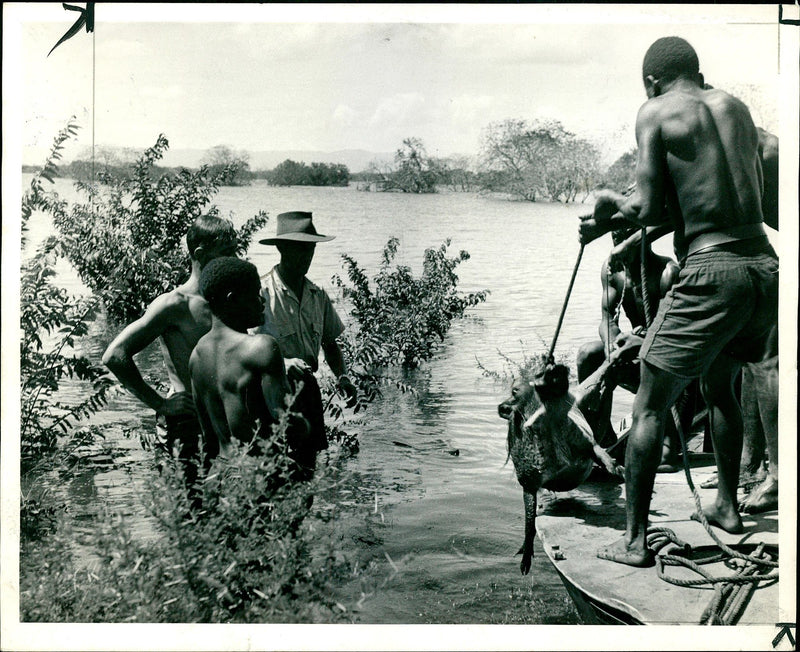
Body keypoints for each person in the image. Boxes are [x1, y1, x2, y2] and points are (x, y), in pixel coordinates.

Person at [589, 36, 778, 567]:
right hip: (763, 269)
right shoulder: (735, 108)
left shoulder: (654, 112)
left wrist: (609, 207)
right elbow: (730, 190)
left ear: (651, 81)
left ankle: (632, 543)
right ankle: (726, 507)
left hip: (711, 269)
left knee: (649, 401)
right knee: (722, 385)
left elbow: (648, 206)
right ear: (698, 72)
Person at [102, 214, 238, 497]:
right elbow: (115, 355)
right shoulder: (174, 304)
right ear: (200, 254)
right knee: (188, 512)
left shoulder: (228, 300)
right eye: (226, 253)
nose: (233, 259)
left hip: (225, 421)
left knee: (227, 514)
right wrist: (160, 404)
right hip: (187, 424)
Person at [189, 257, 313, 478]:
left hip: (219, 475)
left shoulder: (197, 355)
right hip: (258, 474)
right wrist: (305, 423)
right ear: (232, 299)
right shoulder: (261, 347)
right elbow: (285, 424)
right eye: (255, 294)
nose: (262, 300)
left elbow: (207, 436)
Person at [257, 211, 358, 468]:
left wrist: (342, 376)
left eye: (310, 250)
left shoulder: (317, 295)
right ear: (281, 248)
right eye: (298, 250)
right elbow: (243, 349)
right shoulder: (261, 293)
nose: (306, 257)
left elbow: (330, 344)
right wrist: (282, 361)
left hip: (307, 392)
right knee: (275, 468)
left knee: (308, 468)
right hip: (271, 394)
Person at [576, 223, 682, 467]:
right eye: (616, 236)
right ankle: (602, 436)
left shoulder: (667, 272)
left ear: (641, 238)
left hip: (668, 363)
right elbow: (606, 320)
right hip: (635, 354)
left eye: (625, 236)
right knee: (588, 354)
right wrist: (612, 343)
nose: (618, 242)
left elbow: (676, 336)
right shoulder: (613, 271)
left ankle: (668, 438)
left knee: (663, 459)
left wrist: (639, 341)